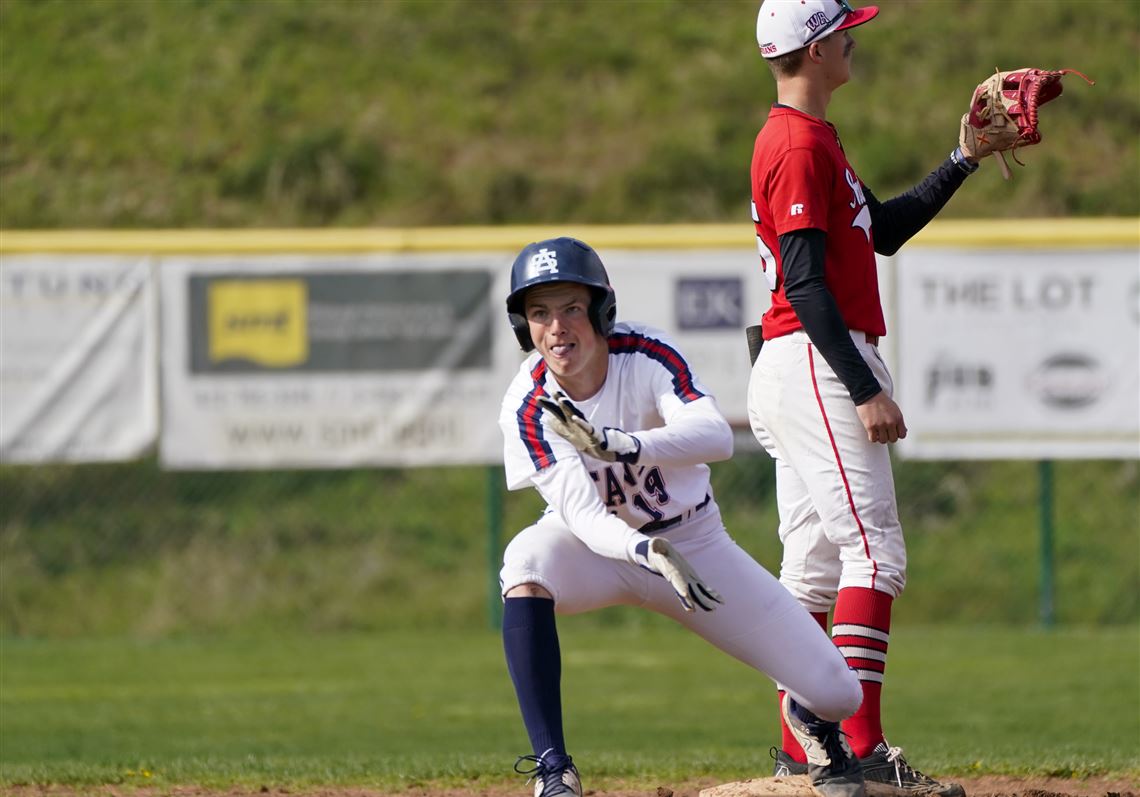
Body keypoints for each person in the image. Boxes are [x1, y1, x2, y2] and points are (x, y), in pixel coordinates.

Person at [498, 236, 867, 797]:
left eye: (571, 307)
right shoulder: (528, 402)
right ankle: (553, 769)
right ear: (526, 327)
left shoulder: (643, 354)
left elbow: (715, 436)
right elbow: (581, 512)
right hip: (596, 550)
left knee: (841, 694)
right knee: (525, 562)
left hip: (693, 540)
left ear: (600, 309)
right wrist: (643, 551)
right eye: (540, 313)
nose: (557, 328)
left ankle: (811, 718)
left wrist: (619, 444)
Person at [748, 2, 984, 795]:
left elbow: (881, 230)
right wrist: (862, 388)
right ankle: (857, 745)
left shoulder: (811, 138)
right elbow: (807, 284)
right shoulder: (795, 143)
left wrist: (964, 157)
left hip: (800, 359)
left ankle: (801, 747)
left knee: (814, 567)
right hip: (820, 358)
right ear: (816, 50)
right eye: (845, 29)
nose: (855, 36)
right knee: (875, 551)